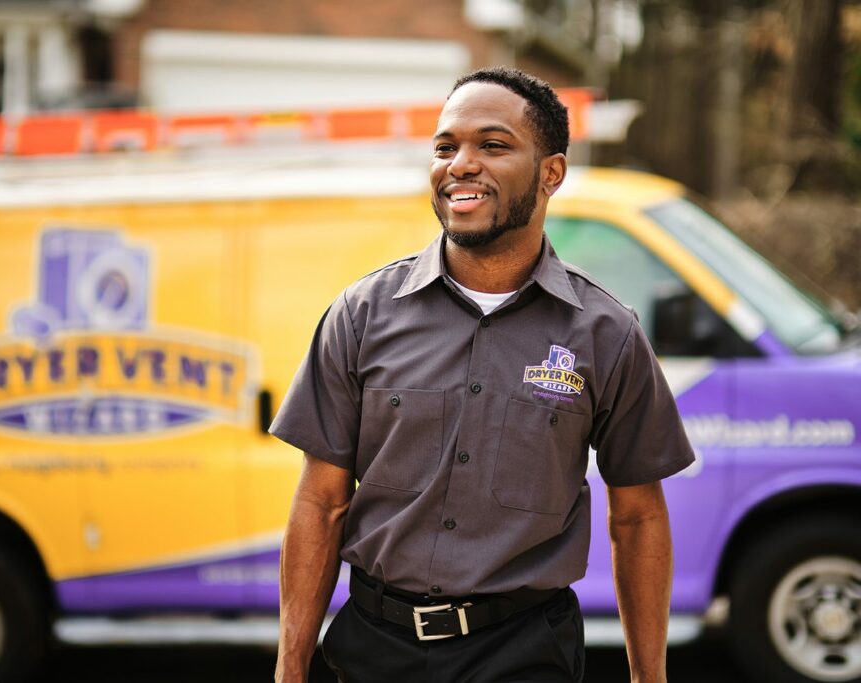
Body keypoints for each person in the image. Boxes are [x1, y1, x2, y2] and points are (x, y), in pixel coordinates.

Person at [269, 66, 696, 683]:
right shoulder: (361, 314)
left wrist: (648, 678)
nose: (460, 164)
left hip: (524, 651)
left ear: (551, 173)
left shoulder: (607, 335)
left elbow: (637, 518)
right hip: (374, 649)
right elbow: (320, 502)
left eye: (492, 146)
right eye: (446, 147)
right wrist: (290, 667)